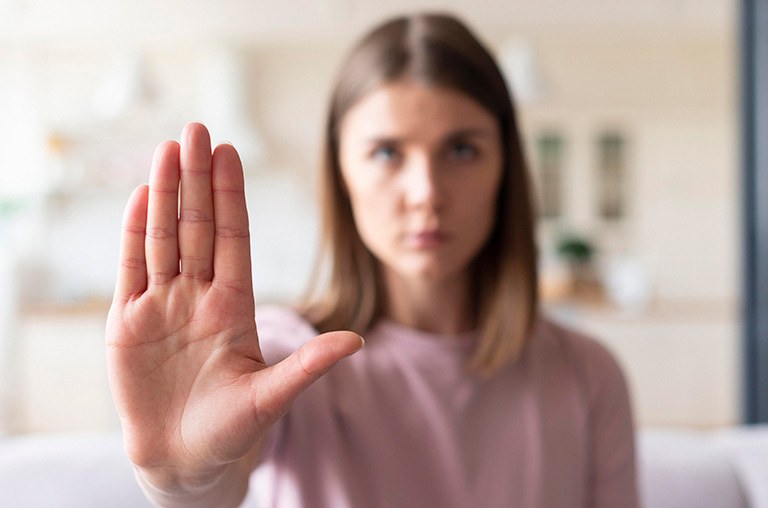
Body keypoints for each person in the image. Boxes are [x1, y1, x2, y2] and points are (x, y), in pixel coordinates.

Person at [106, 12, 638, 508]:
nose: (426, 192)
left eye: (461, 150)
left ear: (505, 166)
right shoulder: (282, 360)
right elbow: (218, 477)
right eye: (387, 153)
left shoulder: (587, 376)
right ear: (342, 175)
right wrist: (181, 476)